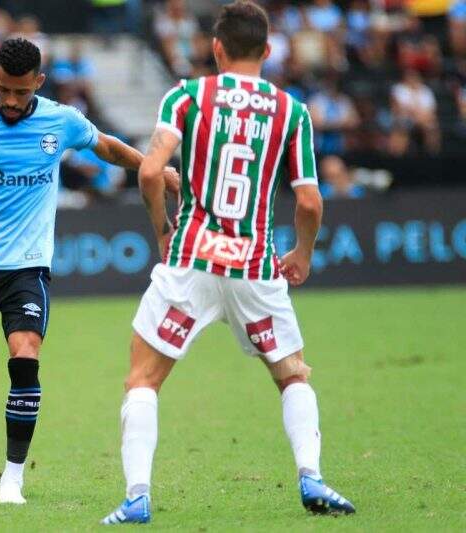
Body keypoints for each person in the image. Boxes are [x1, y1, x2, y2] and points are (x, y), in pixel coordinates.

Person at [101, 2, 356, 524]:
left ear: (215, 48)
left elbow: (151, 171)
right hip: (256, 266)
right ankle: (312, 476)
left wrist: (162, 229)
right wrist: (302, 254)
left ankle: (137, 497)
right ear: (266, 51)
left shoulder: (188, 96)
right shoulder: (291, 111)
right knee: (292, 374)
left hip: (191, 258)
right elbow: (309, 202)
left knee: (143, 381)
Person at [0, 37, 178, 506]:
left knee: (25, 356)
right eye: (3, 89)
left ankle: (12, 479)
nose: (10, 101)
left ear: (38, 83)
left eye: (21, 93)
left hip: (27, 268)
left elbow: (105, 147)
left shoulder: (60, 121)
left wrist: (154, 168)